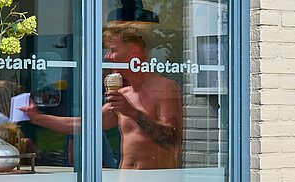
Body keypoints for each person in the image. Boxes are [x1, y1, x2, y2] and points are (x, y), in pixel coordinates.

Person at [22, 23, 184, 169]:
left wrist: (134, 113)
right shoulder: (124, 94)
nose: (107, 57)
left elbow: (171, 140)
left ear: (134, 51)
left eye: (113, 50)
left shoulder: (164, 88)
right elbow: (85, 126)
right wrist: (37, 118)